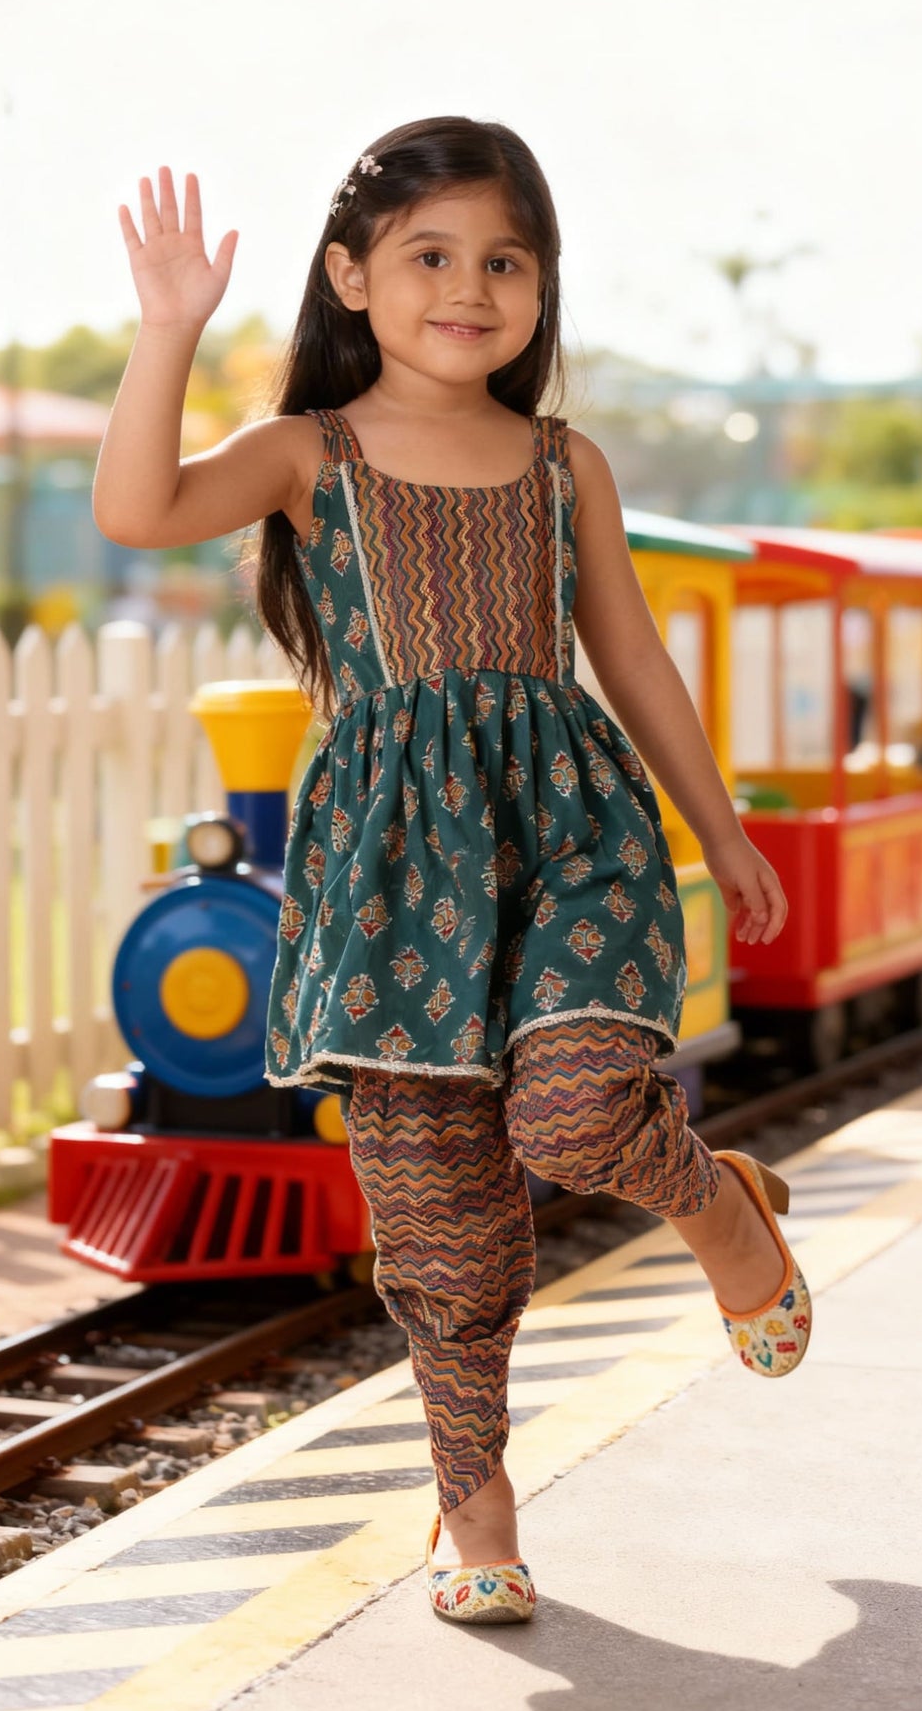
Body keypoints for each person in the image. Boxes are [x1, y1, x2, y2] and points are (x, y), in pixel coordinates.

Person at [94, 119, 809, 1629]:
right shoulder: (310, 454)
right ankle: (475, 1512)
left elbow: (632, 655)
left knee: (574, 1113)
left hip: (569, 836)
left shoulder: (563, 462)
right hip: (392, 873)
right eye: (429, 255)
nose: (470, 287)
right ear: (350, 276)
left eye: (506, 259)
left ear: (542, 285)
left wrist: (720, 825)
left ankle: (718, 1210)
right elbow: (137, 511)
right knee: (438, 1209)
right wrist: (168, 329)